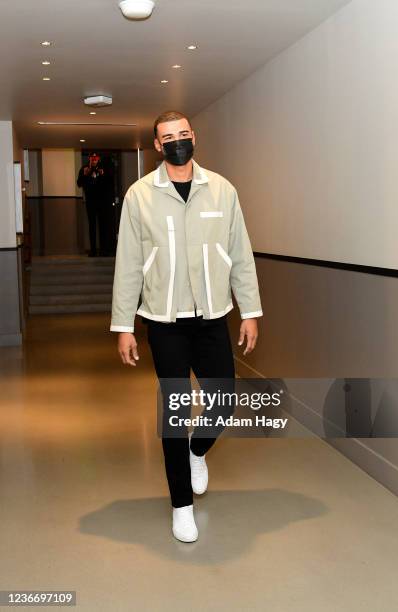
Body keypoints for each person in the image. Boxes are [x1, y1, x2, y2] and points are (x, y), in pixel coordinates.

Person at [110, 110, 263, 542]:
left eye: (183, 134)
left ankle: (198, 450)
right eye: (167, 137)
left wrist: (249, 311)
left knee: (223, 403)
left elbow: (241, 253)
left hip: (213, 317)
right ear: (157, 146)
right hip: (165, 321)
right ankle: (182, 506)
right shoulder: (141, 195)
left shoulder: (222, 190)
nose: (177, 141)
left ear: (193, 137)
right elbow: (129, 265)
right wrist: (124, 325)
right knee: (175, 414)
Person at [77, 153, 114, 257]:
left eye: (96, 159)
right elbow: (79, 183)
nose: (94, 161)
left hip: (102, 202)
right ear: (89, 159)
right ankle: (93, 250)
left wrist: (103, 174)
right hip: (90, 202)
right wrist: (84, 174)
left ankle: (103, 250)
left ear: (98, 159)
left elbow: (109, 182)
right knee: (92, 226)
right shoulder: (84, 169)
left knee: (102, 226)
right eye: (92, 159)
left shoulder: (102, 169)